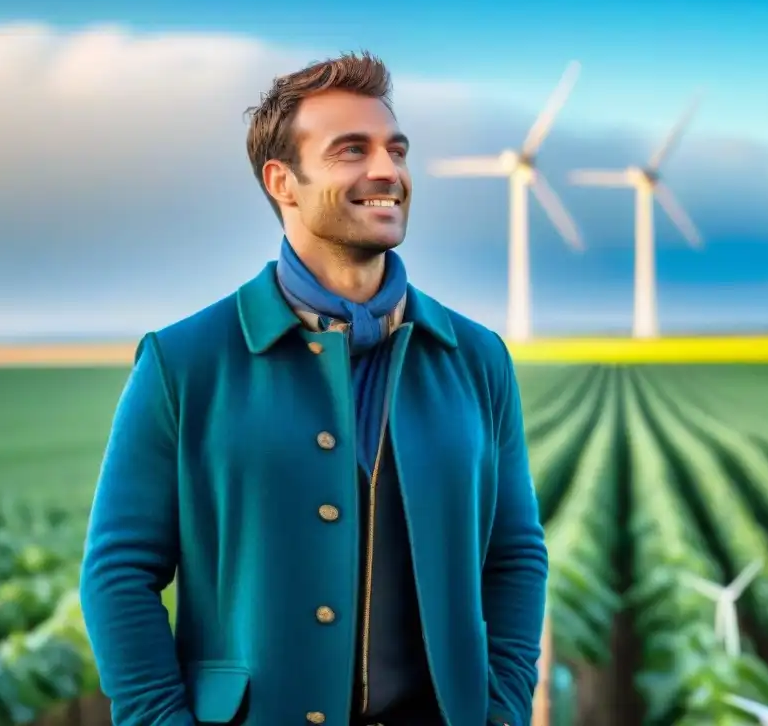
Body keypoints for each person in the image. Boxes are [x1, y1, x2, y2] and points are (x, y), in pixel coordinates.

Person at [80, 51, 548, 726]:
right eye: (351, 151)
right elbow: (118, 573)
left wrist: (501, 709)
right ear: (283, 182)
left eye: (397, 149)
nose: (386, 171)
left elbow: (515, 555)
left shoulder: (477, 358)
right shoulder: (184, 362)